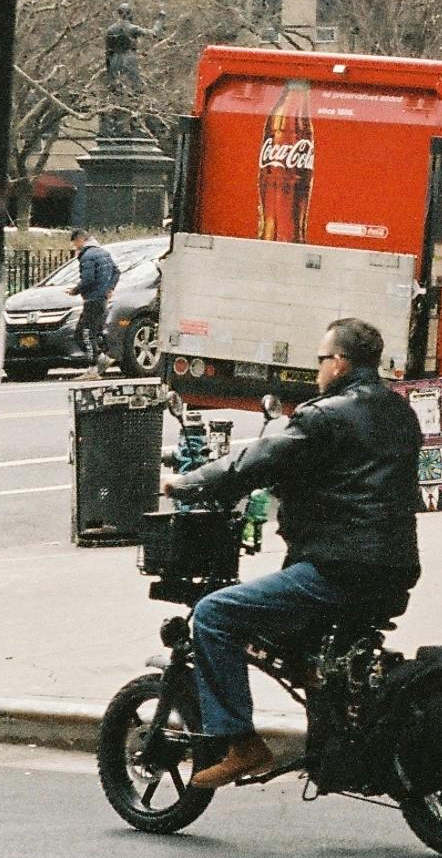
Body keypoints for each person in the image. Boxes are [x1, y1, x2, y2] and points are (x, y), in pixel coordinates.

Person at [168, 318, 423, 791]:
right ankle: (329, 719)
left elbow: (256, 460)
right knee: (303, 645)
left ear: (340, 363)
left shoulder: (323, 416)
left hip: (337, 568)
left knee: (214, 615)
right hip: (395, 570)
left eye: (321, 359)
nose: (318, 369)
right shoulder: (400, 412)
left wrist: (187, 483)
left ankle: (242, 745)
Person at [72, 234, 120, 368]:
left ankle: (95, 366)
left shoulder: (87, 256)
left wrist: (75, 290)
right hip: (102, 299)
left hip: (92, 299)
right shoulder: (104, 253)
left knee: (85, 333)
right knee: (90, 332)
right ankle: (101, 358)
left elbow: (88, 279)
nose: (75, 247)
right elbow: (116, 272)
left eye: (75, 244)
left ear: (80, 240)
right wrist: (110, 288)